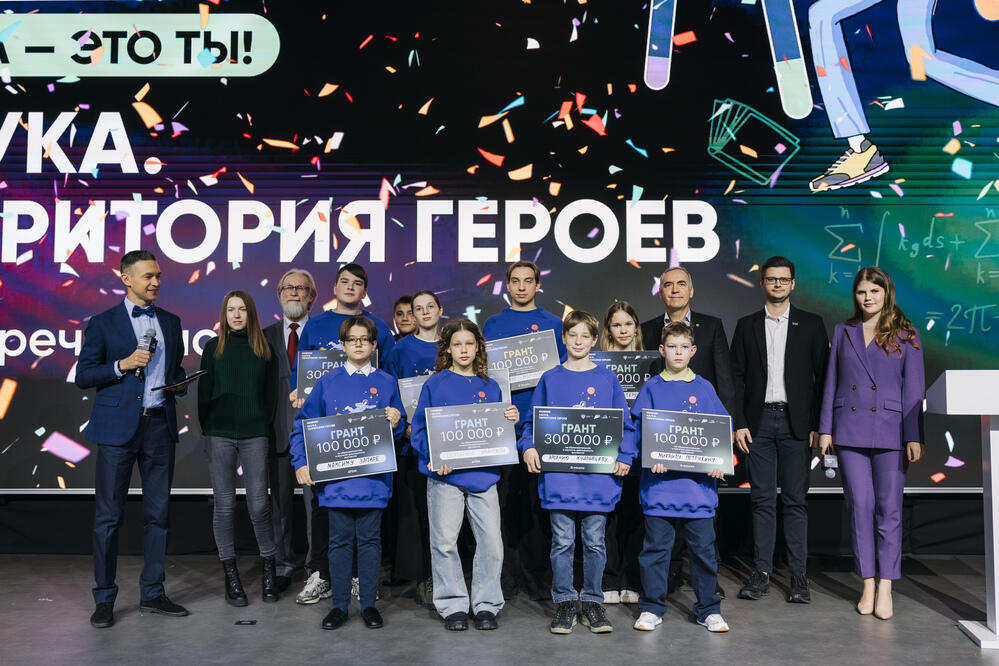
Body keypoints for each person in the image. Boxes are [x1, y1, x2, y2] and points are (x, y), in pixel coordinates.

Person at [76, 249, 191, 628]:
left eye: (158, 276)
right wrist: (122, 365)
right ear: (126, 279)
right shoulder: (103, 323)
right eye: (148, 276)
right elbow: (84, 375)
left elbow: (173, 369)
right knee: (108, 517)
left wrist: (179, 384)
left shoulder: (171, 322)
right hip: (117, 430)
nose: (156, 282)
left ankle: (153, 592)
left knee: (159, 515)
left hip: (159, 426)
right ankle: (104, 598)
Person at [519, 310, 636, 634]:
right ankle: (566, 602)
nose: (579, 341)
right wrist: (528, 447)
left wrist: (626, 454)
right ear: (564, 338)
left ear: (594, 339)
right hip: (560, 479)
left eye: (585, 336)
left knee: (595, 542)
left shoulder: (607, 379)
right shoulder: (550, 378)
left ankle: (594, 602)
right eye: (573, 335)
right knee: (562, 541)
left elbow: (625, 426)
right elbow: (531, 423)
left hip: (598, 479)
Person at [818, 267, 925, 620]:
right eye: (862, 291)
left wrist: (914, 435)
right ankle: (867, 583)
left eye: (874, 291)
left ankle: (886, 585)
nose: (867, 298)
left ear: (886, 293)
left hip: (891, 431)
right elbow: (832, 381)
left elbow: (914, 389)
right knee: (859, 507)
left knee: (889, 509)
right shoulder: (844, 330)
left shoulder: (906, 333)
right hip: (849, 430)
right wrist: (825, 429)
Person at [289, 317, 406, 630]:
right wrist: (301, 462)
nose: (358, 344)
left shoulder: (386, 382)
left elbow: (398, 430)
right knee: (339, 543)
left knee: (370, 542)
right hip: (337, 482)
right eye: (352, 339)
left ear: (374, 344)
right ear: (342, 345)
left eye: (364, 339)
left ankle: (368, 605)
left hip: (373, 481)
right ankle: (339, 606)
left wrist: (397, 422)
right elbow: (303, 426)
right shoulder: (327, 383)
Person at [730, 256, 829, 604]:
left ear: (793, 284)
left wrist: (818, 425)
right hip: (757, 425)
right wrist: (739, 422)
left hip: (796, 424)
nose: (777, 284)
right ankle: (761, 573)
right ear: (762, 283)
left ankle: (799, 576)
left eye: (783, 279)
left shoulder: (812, 324)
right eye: (771, 279)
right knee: (761, 501)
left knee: (795, 501)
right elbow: (735, 378)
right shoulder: (746, 325)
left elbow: (823, 379)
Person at [410, 319, 520, 631]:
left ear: (478, 347)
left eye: (469, 344)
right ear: (447, 348)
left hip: (483, 477)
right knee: (445, 543)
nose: (463, 350)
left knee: (491, 544)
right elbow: (419, 431)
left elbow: (497, 433)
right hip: (445, 478)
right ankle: (453, 605)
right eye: (457, 344)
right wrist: (436, 458)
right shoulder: (435, 384)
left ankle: (486, 604)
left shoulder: (492, 386)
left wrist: (510, 418)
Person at [629, 322, 730, 634]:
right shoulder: (652, 388)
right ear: (662, 350)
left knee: (703, 553)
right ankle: (651, 607)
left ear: (693, 351)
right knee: (655, 552)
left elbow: (719, 432)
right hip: (659, 489)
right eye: (672, 347)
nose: (677, 352)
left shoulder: (704, 388)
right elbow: (638, 433)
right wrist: (651, 457)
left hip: (698, 491)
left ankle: (708, 609)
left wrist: (718, 463)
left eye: (683, 347)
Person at [640, 266, 734, 595]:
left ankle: (706, 586)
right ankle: (666, 579)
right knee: (661, 532)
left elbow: (725, 381)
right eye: (668, 284)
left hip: (700, 455)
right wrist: (649, 451)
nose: (675, 289)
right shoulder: (646, 330)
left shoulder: (712, 327)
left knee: (702, 528)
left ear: (691, 291)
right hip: (662, 460)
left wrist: (723, 447)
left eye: (682, 284)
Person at [482, 260, 566, 600]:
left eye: (527, 281)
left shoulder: (553, 324)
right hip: (500, 427)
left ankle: (535, 576)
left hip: (540, 428)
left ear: (537, 285)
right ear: (507, 285)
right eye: (515, 281)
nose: (521, 287)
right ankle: (505, 576)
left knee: (535, 507)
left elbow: (561, 375)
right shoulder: (493, 324)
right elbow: (484, 373)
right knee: (501, 507)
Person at [198, 290, 279, 605]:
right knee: (225, 505)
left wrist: (260, 422)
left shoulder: (264, 349)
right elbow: (204, 394)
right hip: (219, 434)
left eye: (241, 309)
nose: (236, 315)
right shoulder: (212, 348)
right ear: (224, 314)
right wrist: (210, 428)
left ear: (251, 313)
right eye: (230, 309)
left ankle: (269, 569)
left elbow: (270, 396)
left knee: (259, 505)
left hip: (254, 433)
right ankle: (231, 575)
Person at [262, 269, 319, 600]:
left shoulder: (325, 333)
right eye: (288, 287)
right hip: (277, 432)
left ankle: (315, 569)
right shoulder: (262, 336)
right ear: (279, 294)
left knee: (316, 508)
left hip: (317, 436)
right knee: (279, 506)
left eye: (301, 288)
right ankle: (283, 566)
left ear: (312, 297)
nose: (294, 292)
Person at [384, 290, 443, 603]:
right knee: (417, 513)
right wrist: (405, 425)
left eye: (430, 306)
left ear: (440, 310)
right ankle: (424, 576)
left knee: (444, 516)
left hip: (449, 445)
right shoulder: (400, 350)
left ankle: (444, 576)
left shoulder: (454, 344)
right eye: (418, 309)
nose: (424, 312)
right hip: (412, 445)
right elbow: (392, 392)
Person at [290, 263, 395, 402]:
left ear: (364, 292)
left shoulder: (379, 326)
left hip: (368, 405)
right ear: (335, 288)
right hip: (322, 406)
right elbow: (299, 370)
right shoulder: (314, 325)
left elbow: (391, 372)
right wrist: (297, 391)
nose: (350, 287)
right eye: (344, 281)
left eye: (357, 283)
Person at [598, 301, 645, 605]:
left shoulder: (651, 364)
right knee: (607, 518)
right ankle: (609, 580)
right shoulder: (596, 365)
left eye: (628, 324)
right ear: (608, 330)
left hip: (638, 448)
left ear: (636, 328)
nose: (623, 330)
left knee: (634, 516)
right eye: (617, 325)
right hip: (604, 449)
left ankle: (631, 580)